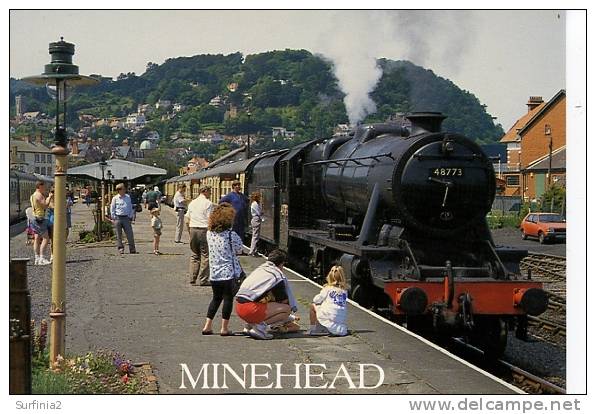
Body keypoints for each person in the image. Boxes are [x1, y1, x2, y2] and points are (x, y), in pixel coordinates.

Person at [235, 249, 299, 340]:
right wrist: (290, 316)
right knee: (286, 310)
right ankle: (260, 328)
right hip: (250, 309)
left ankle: (249, 325)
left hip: (239, 307)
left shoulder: (260, 269)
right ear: (281, 264)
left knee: (264, 303)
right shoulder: (277, 276)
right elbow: (284, 301)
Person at [202, 203, 243, 336]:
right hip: (228, 273)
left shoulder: (209, 234)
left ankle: (207, 326)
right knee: (228, 299)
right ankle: (224, 328)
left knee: (216, 298)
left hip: (214, 273)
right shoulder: (231, 235)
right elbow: (239, 249)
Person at [308, 265, 349, 336]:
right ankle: (327, 328)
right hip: (340, 319)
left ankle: (315, 329)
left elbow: (316, 299)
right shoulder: (344, 291)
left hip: (329, 316)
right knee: (326, 307)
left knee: (313, 306)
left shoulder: (327, 288)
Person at [185, 185, 213, 286]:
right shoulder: (208, 203)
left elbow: (187, 219)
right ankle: (203, 279)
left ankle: (192, 278)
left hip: (193, 229)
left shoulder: (192, 203)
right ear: (205, 191)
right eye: (210, 192)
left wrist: (189, 231)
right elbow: (210, 220)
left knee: (194, 255)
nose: (210, 194)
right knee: (205, 255)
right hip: (203, 230)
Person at [30, 181, 53, 265]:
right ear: (39, 186)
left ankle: (37, 258)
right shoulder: (39, 195)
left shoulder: (33, 195)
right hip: (40, 218)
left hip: (34, 217)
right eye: (43, 187)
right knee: (46, 238)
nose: (44, 188)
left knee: (37, 238)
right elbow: (45, 205)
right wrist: (50, 197)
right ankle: (42, 258)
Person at [110, 183, 137, 254]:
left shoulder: (128, 197)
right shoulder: (115, 198)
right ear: (119, 190)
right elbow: (112, 208)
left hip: (126, 218)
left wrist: (130, 216)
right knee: (119, 235)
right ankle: (120, 248)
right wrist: (113, 217)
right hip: (118, 218)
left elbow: (130, 207)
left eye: (124, 189)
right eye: (123, 189)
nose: (124, 190)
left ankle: (132, 249)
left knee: (130, 234)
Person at [248, 192, 263, 256]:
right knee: (255, 236)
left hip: (256, 219)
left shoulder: (255, 203)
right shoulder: (255, 204)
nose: (260, 198)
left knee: (256, 236)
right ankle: (252, 251)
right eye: (259, 197)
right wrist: (262, 215)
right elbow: (258, 212)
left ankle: (255, 251)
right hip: (256, 219)